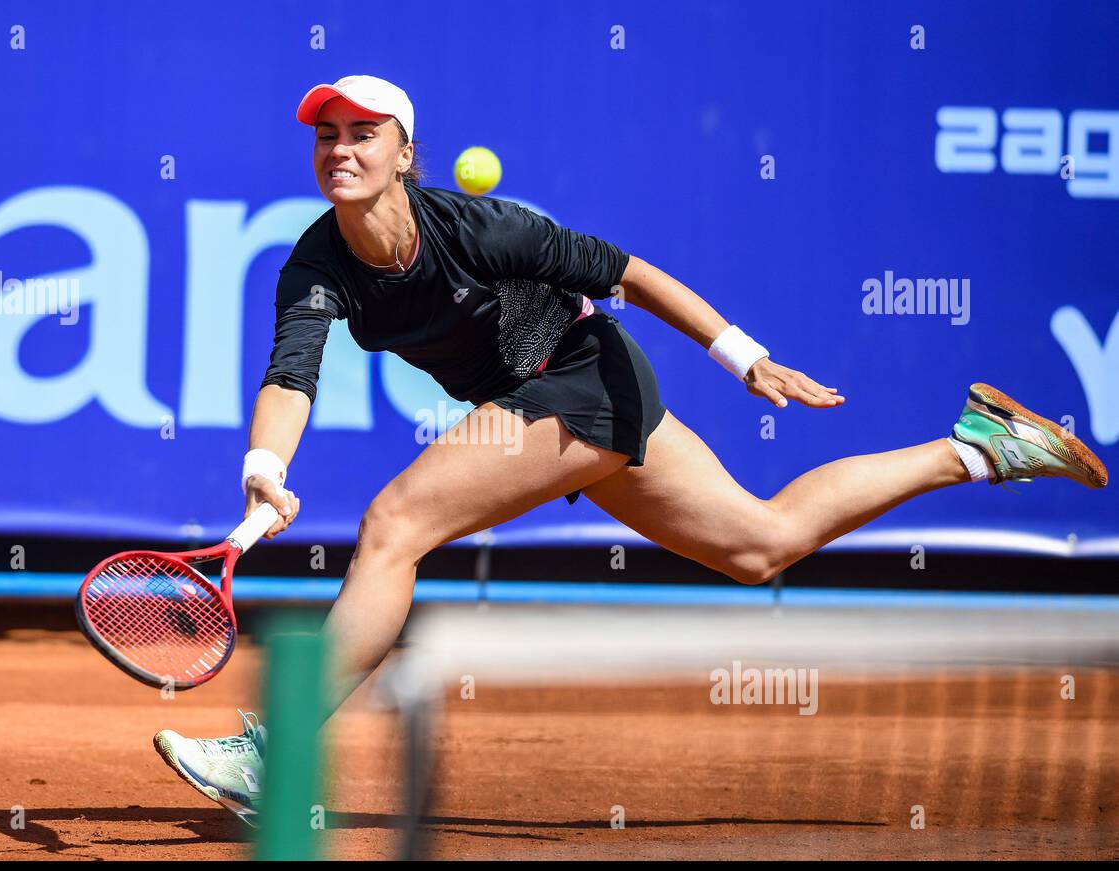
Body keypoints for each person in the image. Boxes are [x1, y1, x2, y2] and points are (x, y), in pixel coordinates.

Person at [152, 75, 1109, 827]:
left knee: (394, 525)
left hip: (580, 380)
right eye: (327, 135)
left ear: (406, 154)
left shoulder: (481, 226)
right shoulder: (316, 263)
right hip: (558, 404)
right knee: (758, 545)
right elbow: (292, 373)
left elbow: (629, 274)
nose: (340, 149)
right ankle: (980, 449)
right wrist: (265, 470)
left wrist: (745, 358)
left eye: (364, 134)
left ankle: (272, 756)